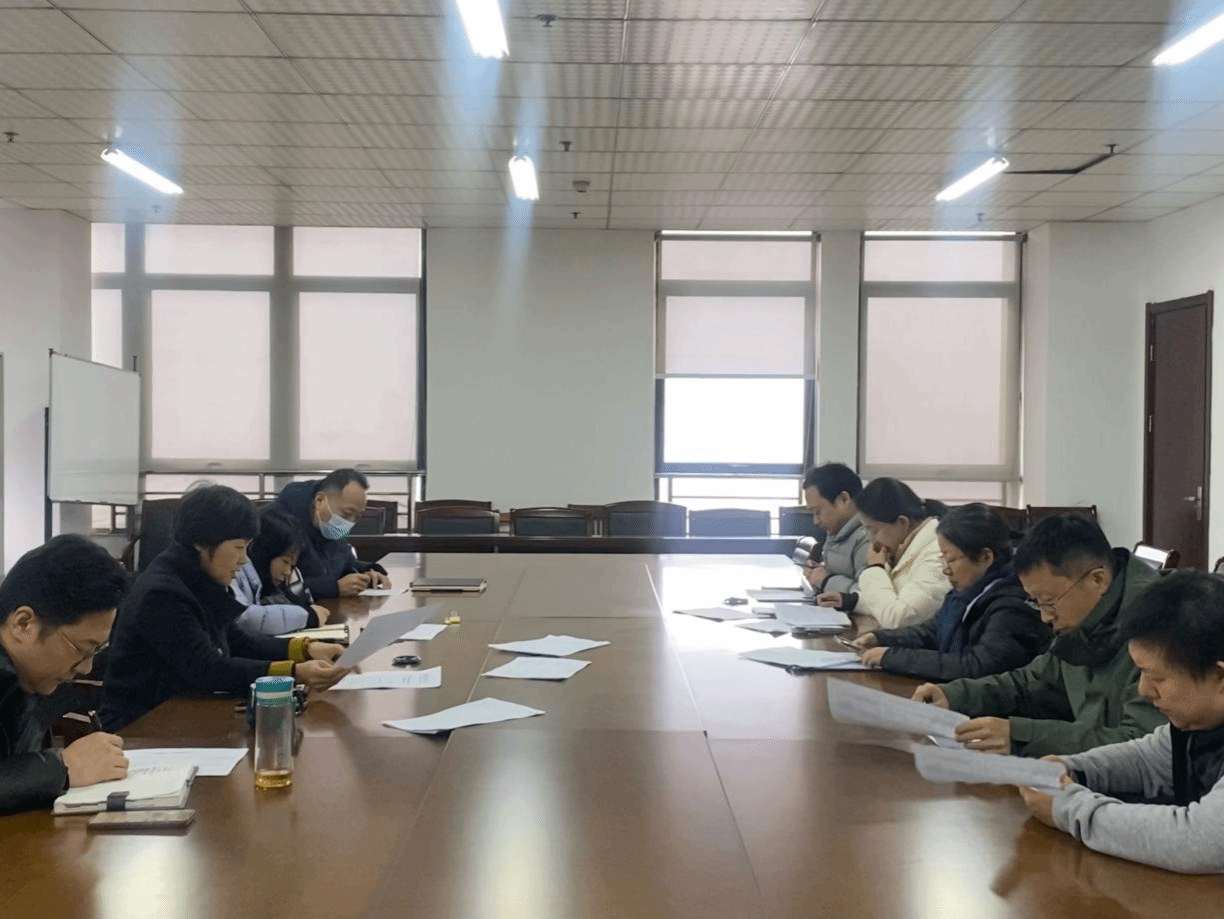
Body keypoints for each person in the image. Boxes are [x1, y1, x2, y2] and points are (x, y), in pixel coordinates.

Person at [1019, 572, 1224, 874]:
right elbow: (1148, 760)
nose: (1144, 690)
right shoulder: (1196, 723)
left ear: (1219, 677)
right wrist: (1072, 768)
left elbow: (1200, 841)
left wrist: (1068, 808)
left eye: (1157, 678)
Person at [913, 514, 1165, 757]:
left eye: (1049, 601)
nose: (1045, 617)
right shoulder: (1083, 621)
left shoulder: (1159, 628)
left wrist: (1019, 734)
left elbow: (1139, 745)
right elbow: (1031, 683)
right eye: (1036, 602)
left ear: (1097, 579)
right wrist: (954, 695)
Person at [101, 485, 349, 731]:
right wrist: (295, 673)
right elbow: (208, 669)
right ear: (202, 542)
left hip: (183, 716)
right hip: (140, 727)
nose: (244, 560)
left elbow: (239, 641)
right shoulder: (163, 593)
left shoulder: (197, 577)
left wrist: (306, 649)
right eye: (239, 547)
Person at [0, 535, 129, 814]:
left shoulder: (26, 681)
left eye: (97, 651)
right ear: (23, 624)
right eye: (81, 649)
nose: (86, 668)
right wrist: (62, 768)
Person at [850, 503, 1051, 681]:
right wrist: (881, 638)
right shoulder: (965, 592)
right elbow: (933, 632)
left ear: (985, 557)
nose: (945, 569)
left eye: (952, 559)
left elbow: (975, 666)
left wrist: (891, 657)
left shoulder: (1012, 606)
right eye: (943, 558)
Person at [817, 477, 949, 630]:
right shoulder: (904, 547)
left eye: (874, 531)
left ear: (902, 523)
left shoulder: (936, 554)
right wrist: (852, 601)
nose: (872, 541)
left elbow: (898, 619)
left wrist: (875, 568)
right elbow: (889, 600)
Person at [273, 468, 391, 599]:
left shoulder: (329, 528)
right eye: (346, 514)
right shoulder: (282, 524)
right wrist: (334, 588)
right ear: (319, 501)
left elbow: (344, 562)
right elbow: (279, 585)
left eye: (357, 517)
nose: (349, 522)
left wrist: (367, 573)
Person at [233, 506, 331, 636]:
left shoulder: (264, 585)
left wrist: (301, 646)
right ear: (265, 551)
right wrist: (308, 617)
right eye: (285, 562)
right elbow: (246, 619)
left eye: (292, 566)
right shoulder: (235, 572)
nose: (287, 572)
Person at [799, 462, 871, 598]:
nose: (815, 521)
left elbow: (870, 596)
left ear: (844, 500)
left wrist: (825, 581)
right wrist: (817, 571)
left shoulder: (868, 537)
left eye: (818, 511)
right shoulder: (837, 531)